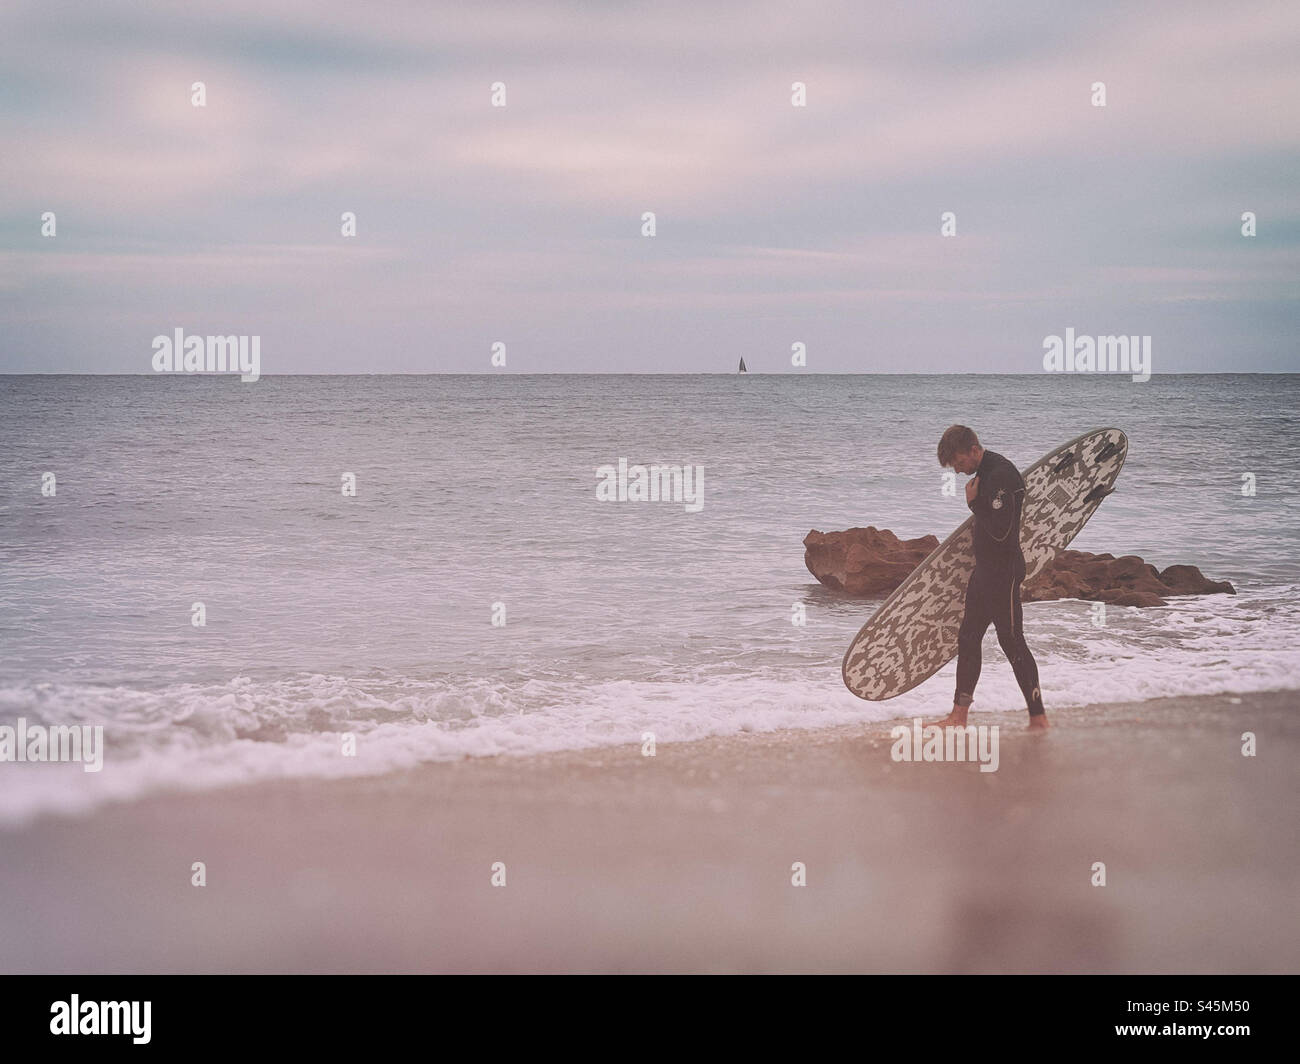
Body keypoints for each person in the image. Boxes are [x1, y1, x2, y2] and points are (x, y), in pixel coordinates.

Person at [935, 425, 1048, 730]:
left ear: (974, 450)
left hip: (1004, 571)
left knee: (1012, 642)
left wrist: (973, 504)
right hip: (985, 571)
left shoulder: (1001, 474)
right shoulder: (985, 475)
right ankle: (958, 716)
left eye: (959, 464)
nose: (959, 472)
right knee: (969, 638)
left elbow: (1001, 531)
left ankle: (1038, 718)